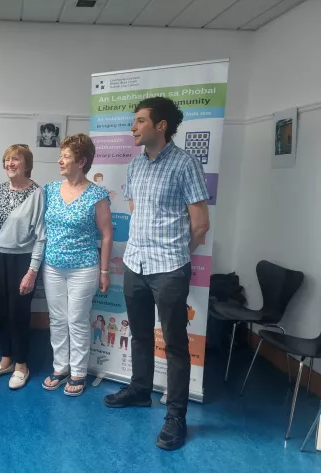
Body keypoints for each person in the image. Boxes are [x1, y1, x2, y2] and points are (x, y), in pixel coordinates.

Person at [102, 97, 210, 452]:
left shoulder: (185, 164)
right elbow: (137, 211)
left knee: (176, 344)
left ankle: (176, 415)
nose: (133, 127)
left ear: (161, 126)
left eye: (140, 121)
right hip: (135, 263)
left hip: (169, 269)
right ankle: (140, 390)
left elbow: (200, 225)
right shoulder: (135, 166)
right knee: (141, 334)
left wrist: (176, 255)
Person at [42, 133, 113, 397]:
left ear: (81, 161)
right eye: (61, 156)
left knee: (77, 319)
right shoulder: (49, 189)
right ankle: (60, 368)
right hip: (53, 266)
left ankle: (78, 373)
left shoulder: (97, 194)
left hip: (84, 267)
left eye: (66, 157)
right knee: (57, 319)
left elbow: (106, 234)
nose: (60, 161)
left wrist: (105, 271)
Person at [0, 144, 46, 390]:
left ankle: (21, 365)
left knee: (19, 313)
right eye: (7, 159)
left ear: (26, 163)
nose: (10, 163)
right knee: (3, 311)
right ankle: (6, 360)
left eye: (15, 159)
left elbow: (41, 236)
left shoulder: (37, 193)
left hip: (23, 260)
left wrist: (32, 271)